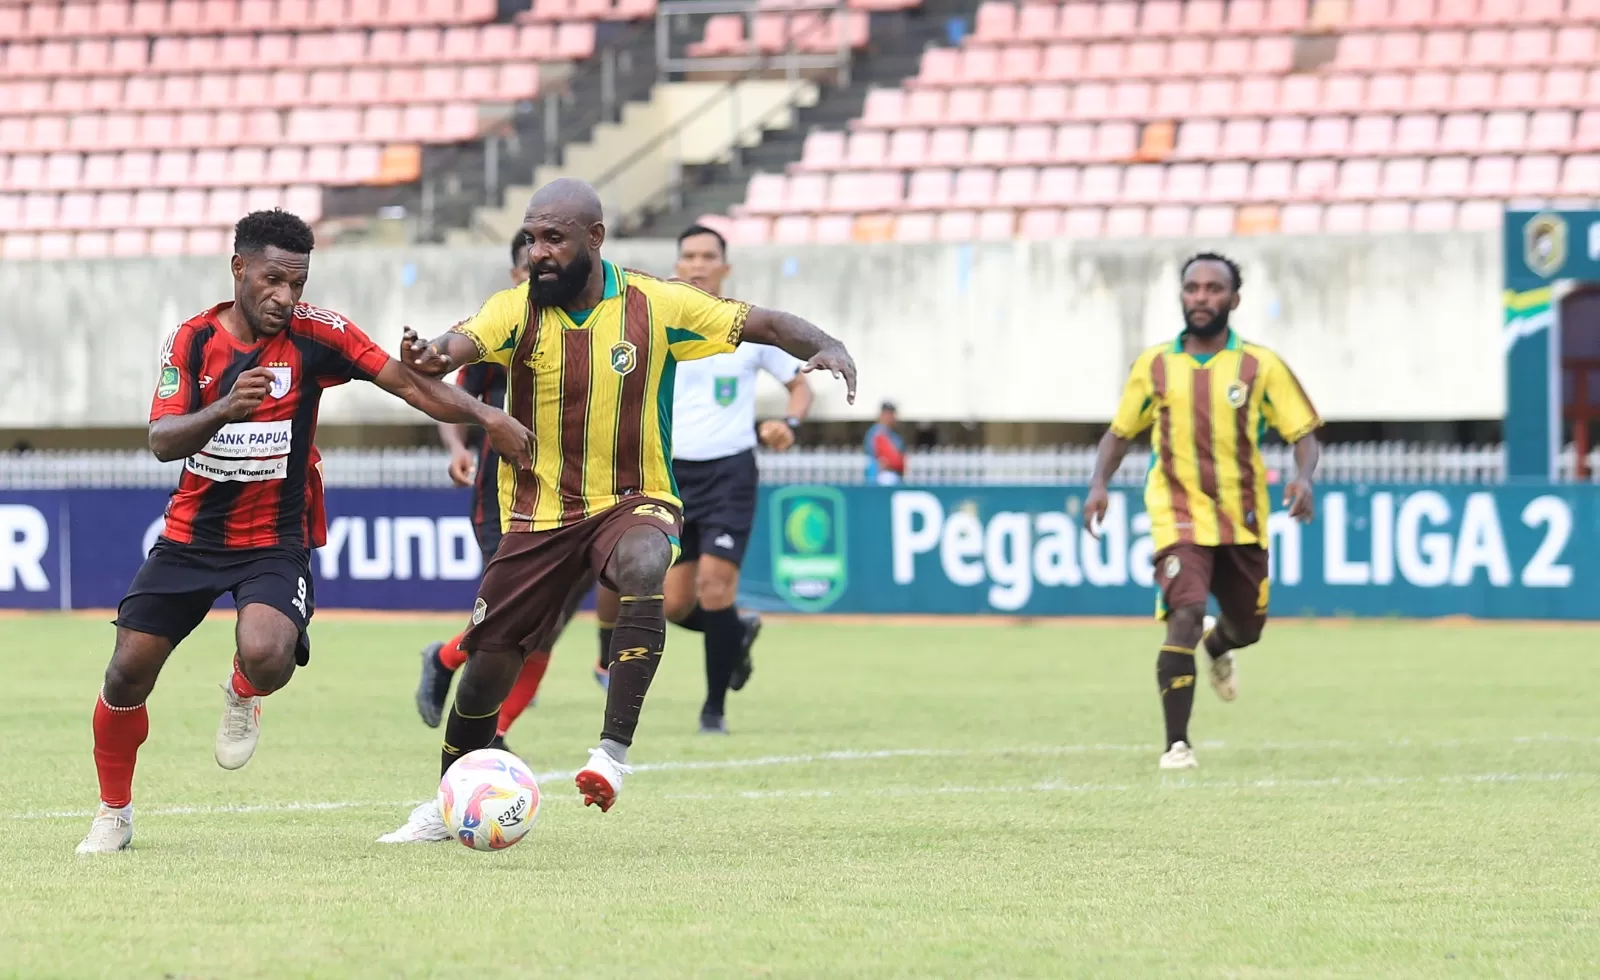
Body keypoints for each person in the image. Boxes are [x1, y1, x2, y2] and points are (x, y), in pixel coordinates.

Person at [378, 178, 856, 842]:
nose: (539, 251)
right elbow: (453, 348)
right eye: (533, 237)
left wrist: (825, 346)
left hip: (636, 497)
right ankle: (447, 798)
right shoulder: (514, 309)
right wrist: (429, 355)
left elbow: (761, 323)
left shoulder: (653, 302)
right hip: (539, 515)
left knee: (644, 560)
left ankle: (613, 754)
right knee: (487, 670)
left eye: (554, 238)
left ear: (593, 239)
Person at [76, 210, 534, 854]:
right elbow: (160, 440)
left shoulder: (321, 334)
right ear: (239, 269)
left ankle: (243, 688)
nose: (285, 297)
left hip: (273, 538)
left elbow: (408, 384)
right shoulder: (193, 340)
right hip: (191, 537)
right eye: (272, 281)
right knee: (126, 673)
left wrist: (489, 416)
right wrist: (225, 407)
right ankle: (113, 813)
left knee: (267, 657)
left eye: (297, 283)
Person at [1084, 252, 1321, 771]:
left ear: (1233, 300)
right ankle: (1177, 745)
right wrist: (1099, 484)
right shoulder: (1155, 366)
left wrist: (1304, 477)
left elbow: (1303, 433)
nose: (1201, 297)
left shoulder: (1260, 365)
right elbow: (1119, 433)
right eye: (1193, 288)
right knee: (1184, 614)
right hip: (1176, 513)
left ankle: (1221, 647)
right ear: (1181, 296)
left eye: (1214, 289)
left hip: (1243, 518)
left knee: (1248, 626)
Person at [592, 224, 813, 734]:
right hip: (669, 474)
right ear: (677, 262)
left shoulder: (747, 326)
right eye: (688, 255)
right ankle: (736, 634)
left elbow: (800, 387)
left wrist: (790, 423)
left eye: (707, 256)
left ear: (724, 267)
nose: (697, 264)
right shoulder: (655, 319)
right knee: (674, 603)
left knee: (716, 588)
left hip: (730, 470)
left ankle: (713, 710)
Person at [413, 230, 575, 752]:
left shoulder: (592, 332)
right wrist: (458, 448)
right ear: (515, 277)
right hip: (502, 496)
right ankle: (482, 724)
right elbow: (450, 396)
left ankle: (483, 710)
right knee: (515, 613)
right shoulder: (500, 332)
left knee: (548, 623)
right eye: (530, 268)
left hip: (579, 498)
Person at [864, 401, 905, 485]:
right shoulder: (874, 433)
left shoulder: (895, 436)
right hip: (878, 476)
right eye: (886, 414)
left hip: (894, 474)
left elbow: (899, 457)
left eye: (891, 414)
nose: (889, 417)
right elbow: (871, 456)